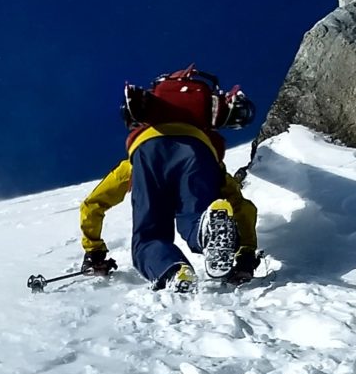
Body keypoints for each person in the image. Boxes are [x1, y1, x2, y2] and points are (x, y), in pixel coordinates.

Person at [78, 67, 260, 290]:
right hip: (200, 152)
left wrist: (94, 251)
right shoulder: (214, 164)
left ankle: (174, 270)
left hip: (146, 153)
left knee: (148, 238)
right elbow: (242, 208)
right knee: (195, 219)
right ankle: (206, 230)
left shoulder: (130, 166)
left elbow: (93, 204)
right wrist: (246, 253)